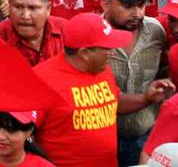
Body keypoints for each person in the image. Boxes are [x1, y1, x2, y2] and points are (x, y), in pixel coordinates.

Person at [33, 13, 164, 167]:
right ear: (84, 53)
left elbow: (113, 100)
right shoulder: (41, 80)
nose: (113, 52)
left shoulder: (101, 69)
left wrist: (145, 98)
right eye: (106, 48)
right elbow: (23, 133)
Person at [100, 0, 174, 164]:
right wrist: (145, 98)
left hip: (147, 135)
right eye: (127, 6)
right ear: (105, 5)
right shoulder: (93, 35)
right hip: (103, 137)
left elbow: (165, 66)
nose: (137, 13)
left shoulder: (156, 30)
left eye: (141, 5)